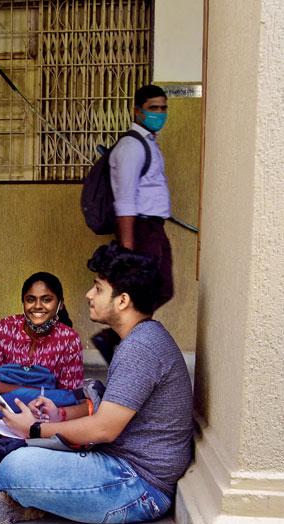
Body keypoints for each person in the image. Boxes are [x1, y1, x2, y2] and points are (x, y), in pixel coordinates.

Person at [0, 245, 193, 524]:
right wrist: (59, 415)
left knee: (15, 466)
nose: (89, 295)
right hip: (122, 467)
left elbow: (104, 428)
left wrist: (35, 429)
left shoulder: (140, 348)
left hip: (138, 486)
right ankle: (22, 499)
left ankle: (18, 498)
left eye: (98, 289)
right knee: (17, 456)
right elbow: (110, 413)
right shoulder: (142, 339)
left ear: (123, 300)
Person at [0, 272, 86, 463]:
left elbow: (70, 395)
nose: (37, 306)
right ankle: (3, 446)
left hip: (41, 418)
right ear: (23, 302)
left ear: (60, 303)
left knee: (57, 437)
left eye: (46, 300)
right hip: (1, 414)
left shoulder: (69, 339)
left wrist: (35, 407)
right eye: (30, 299)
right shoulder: (4, 328)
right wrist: (26, 393)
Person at [93, 84, 174, 364]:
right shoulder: (131, 147)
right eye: (153, 108)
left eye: (163, 108)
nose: (160, 113)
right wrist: (128, 250)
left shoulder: (149, 143)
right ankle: (121, 344)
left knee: (162, 288)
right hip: (139, 230)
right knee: (144, 293)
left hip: (153, 228)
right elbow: (125, 201)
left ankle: (116, 340)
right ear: (137, 111)